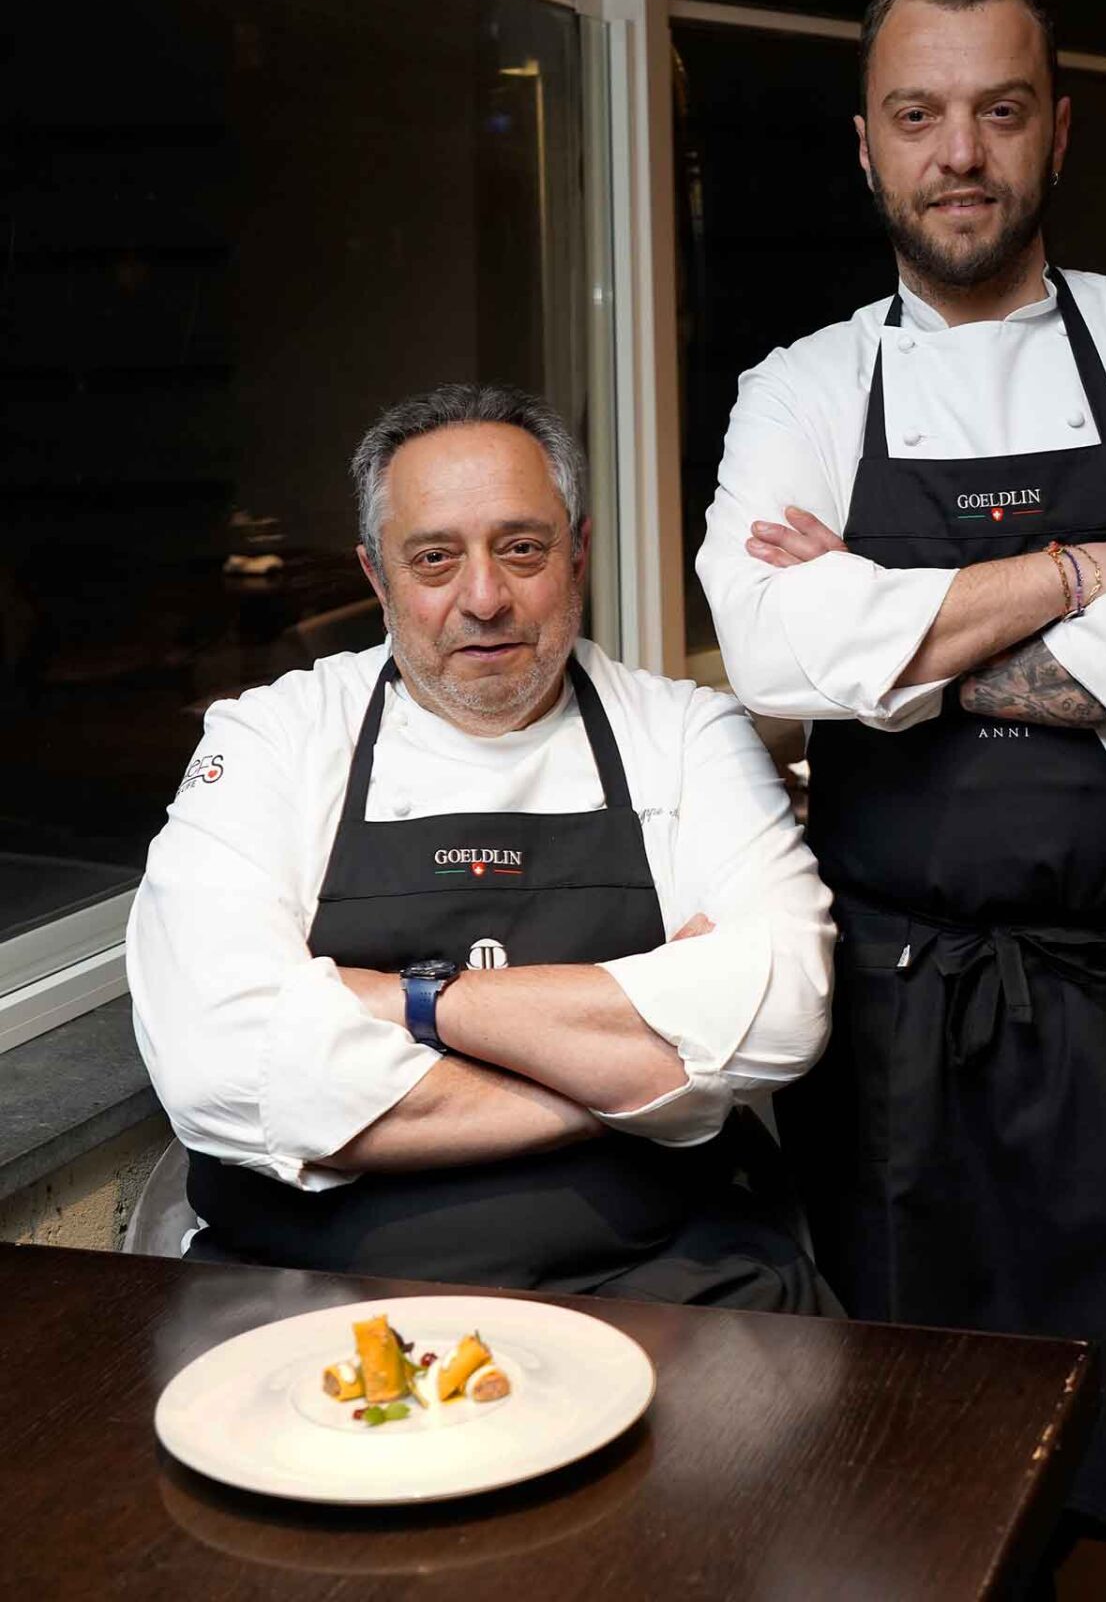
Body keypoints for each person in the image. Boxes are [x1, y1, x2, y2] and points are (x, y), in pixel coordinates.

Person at [697, 0, 1106, 1576]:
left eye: (1000, 111)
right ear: (868, 144)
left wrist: (902, 640)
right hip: (897, 1038)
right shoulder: (800, 386)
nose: (962, 153)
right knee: (904, 1496)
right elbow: (781, 654)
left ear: (1058, 131)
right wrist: (1093, 568)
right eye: (921, 114)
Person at [128, 384, 835, 1312]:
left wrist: (411, 1002)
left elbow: (782, 1013)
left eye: (522, 548)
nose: (485, 598)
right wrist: (645, 1086)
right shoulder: (273, 740)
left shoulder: (686, 734)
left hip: (671, 1287)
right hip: (312, 1295)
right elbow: (218, 1064)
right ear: (377, 578)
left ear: (577, 556)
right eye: (434, 559)